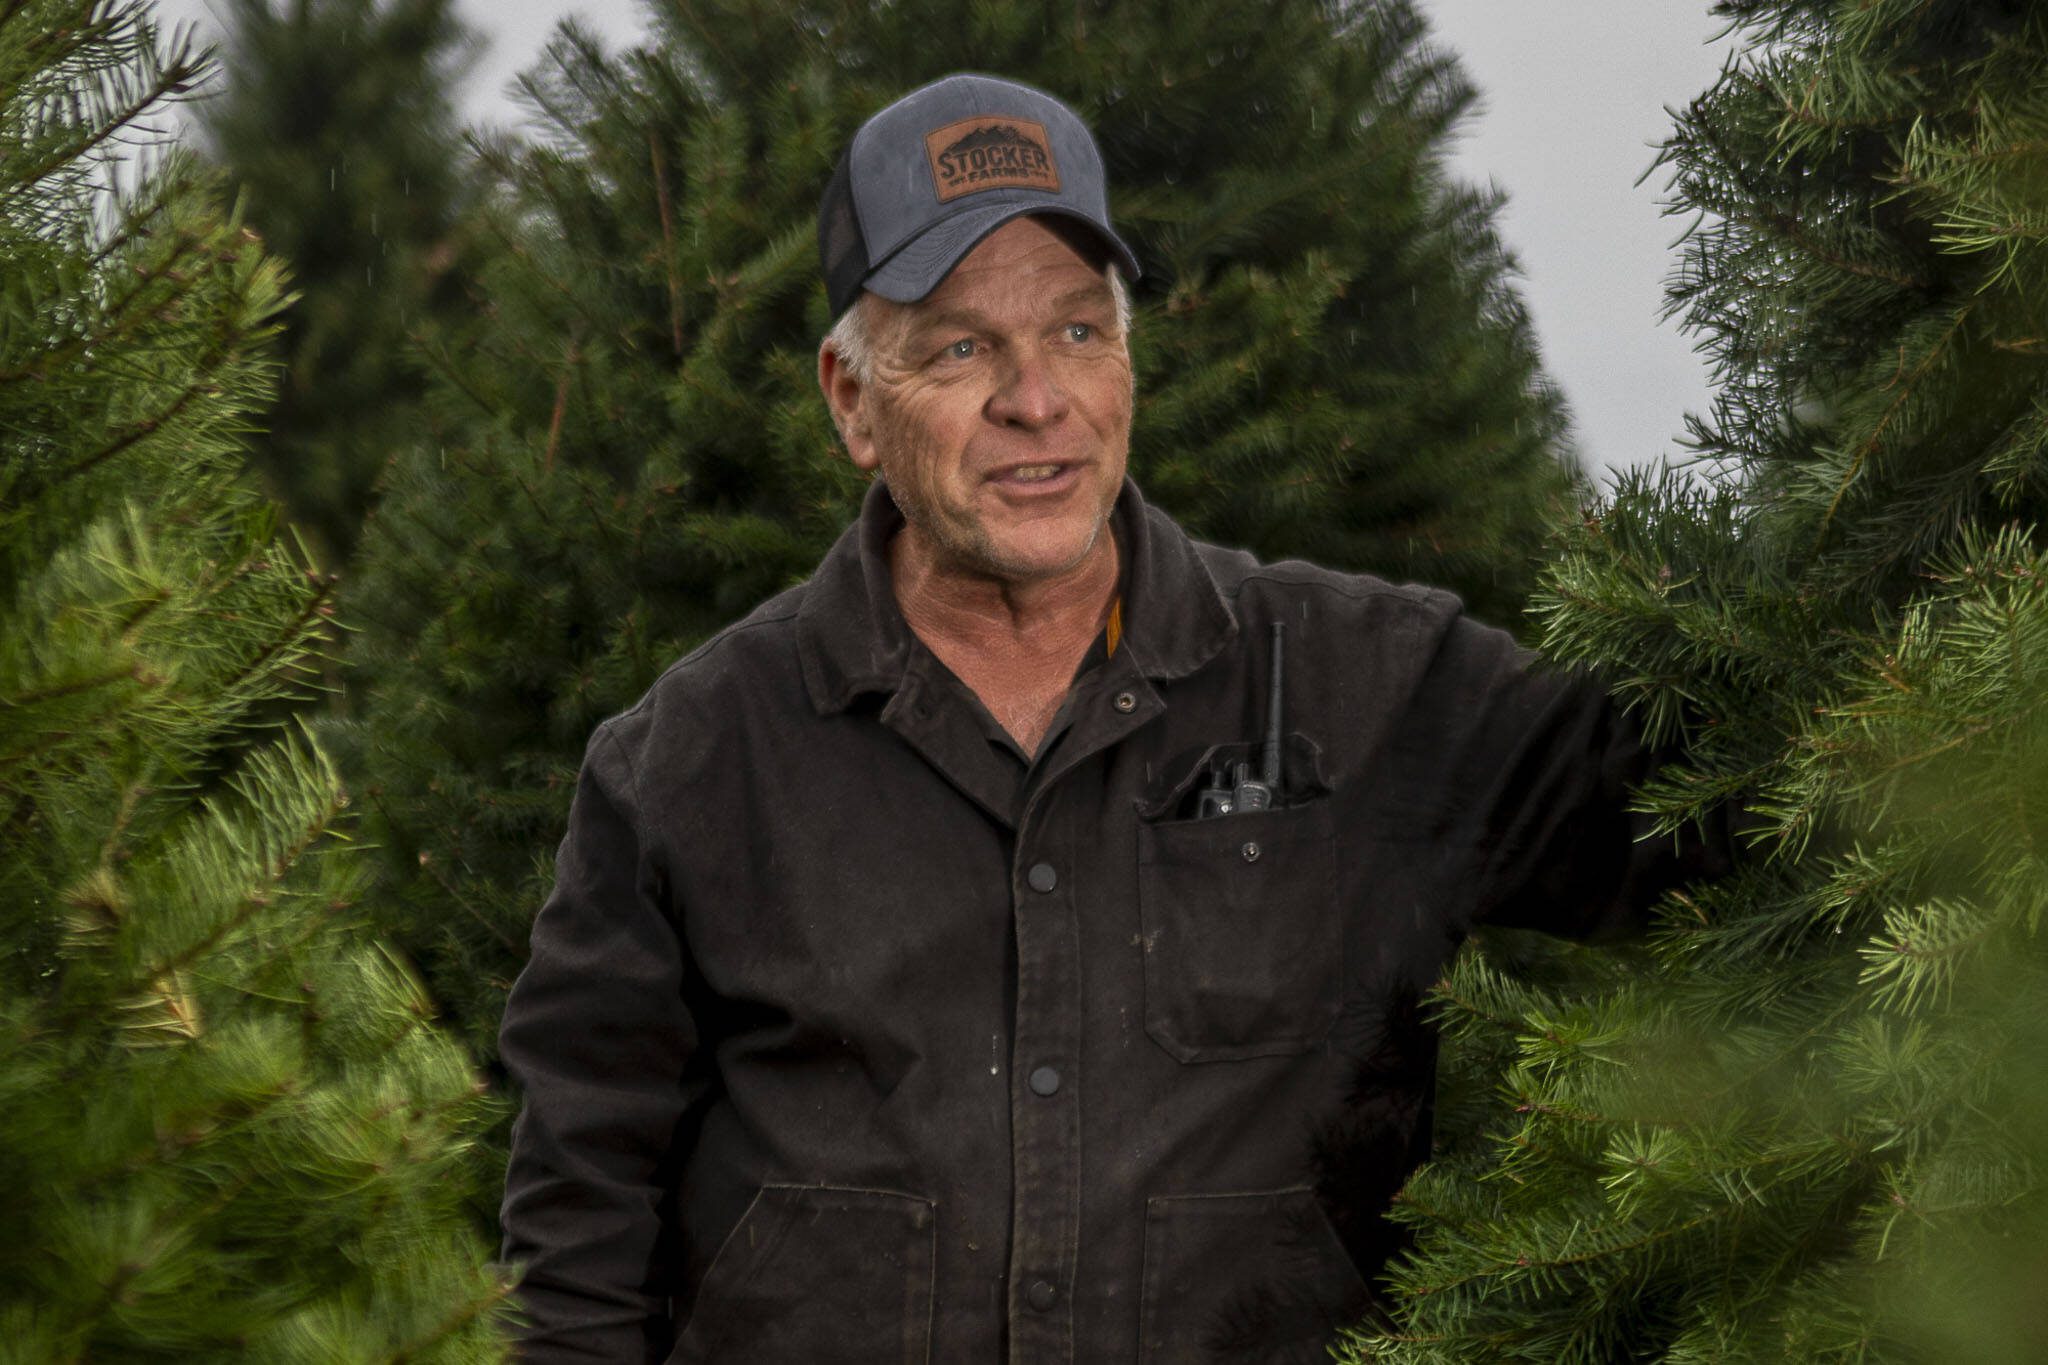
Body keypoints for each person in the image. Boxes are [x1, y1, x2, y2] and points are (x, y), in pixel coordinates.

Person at [497, 73, 1724, 1364]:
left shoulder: (1373, 685)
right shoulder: (687, 766)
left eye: (1079, 332)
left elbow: (1729, 804)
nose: (1039, 399)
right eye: (962, 346)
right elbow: (575, 1248)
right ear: (853, 400)